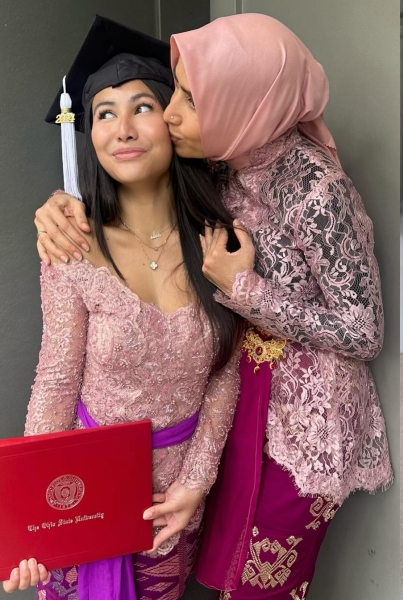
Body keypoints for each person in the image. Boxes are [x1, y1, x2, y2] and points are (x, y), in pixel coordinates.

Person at [32, 14, 391, 599]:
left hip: (297, 428)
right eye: (175, 97)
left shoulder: (306, 182)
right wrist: (59, 205)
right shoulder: (220, 174)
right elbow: (55, 376)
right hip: (228, 420)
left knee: (255, 590)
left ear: (242, 101)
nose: (170, 116)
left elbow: (360, 329)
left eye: (182, 101)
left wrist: (243, 289)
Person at [3, 18, 241, 600]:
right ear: (90, 135)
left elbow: (226, 369)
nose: (123, 129)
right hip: (81, 494)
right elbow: (57, 380)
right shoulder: (73, 247)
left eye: (142, 107)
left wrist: (197, 483)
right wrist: (29, 514)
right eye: (104, 113)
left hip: (171, 506)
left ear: (174, 121)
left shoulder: (220, 240)